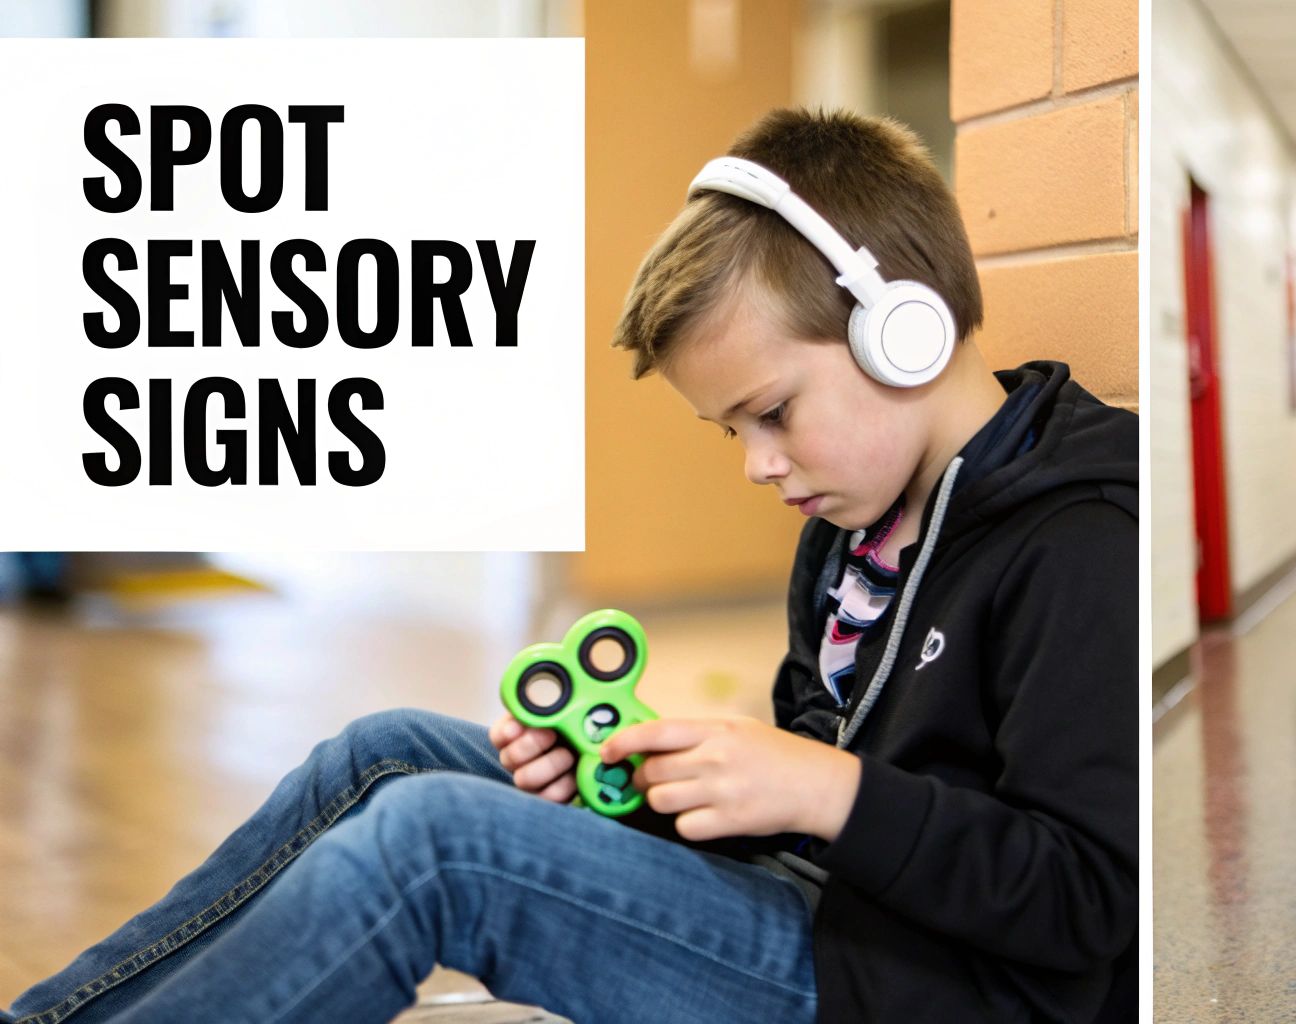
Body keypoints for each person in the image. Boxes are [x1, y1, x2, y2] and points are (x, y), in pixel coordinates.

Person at [2, 108, 1137, 1024]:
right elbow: (815, 812)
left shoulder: (1077, 539)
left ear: (908, 327)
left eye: (772, 413)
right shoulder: (852, 525)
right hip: (832, 912)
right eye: (732, 431)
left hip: (904, 990)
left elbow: (1090, 904)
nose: (757, 464)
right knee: (384, 755)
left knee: (435, 846)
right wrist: (646, 792)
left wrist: (825, 788)